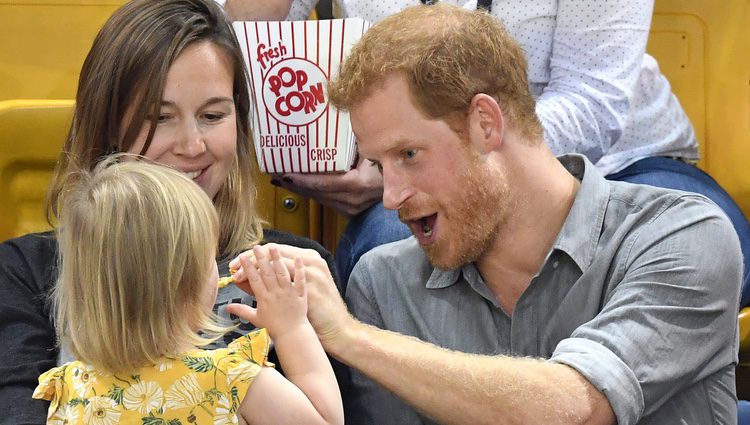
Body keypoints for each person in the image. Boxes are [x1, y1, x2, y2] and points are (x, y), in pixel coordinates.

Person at [230, 5, 742, 424]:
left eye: (408, 154)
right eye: (376, 163)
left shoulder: (684, 238)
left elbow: (574, 408)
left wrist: (350, 337)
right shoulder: (381, 284)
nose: (389, 196)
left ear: (485, 123)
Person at [226, 0, 750, 295]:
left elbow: (596, 98)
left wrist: (452, 158)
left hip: (625, 161)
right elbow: (254, 65)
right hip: (418, 166)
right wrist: (386, 164)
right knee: (388, 262)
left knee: (700, 248)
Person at [0, 0, 340, 422]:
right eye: (160, 118)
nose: (192, 145)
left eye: (213, 115)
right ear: (107, 125)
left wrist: (339, 330)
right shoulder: (22, 269)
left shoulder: (293, 267)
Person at [32, 158, 343, 424]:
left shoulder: (69, 388)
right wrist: (291, 328)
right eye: (211, 258)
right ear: (187, 283)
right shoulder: (230, 379)